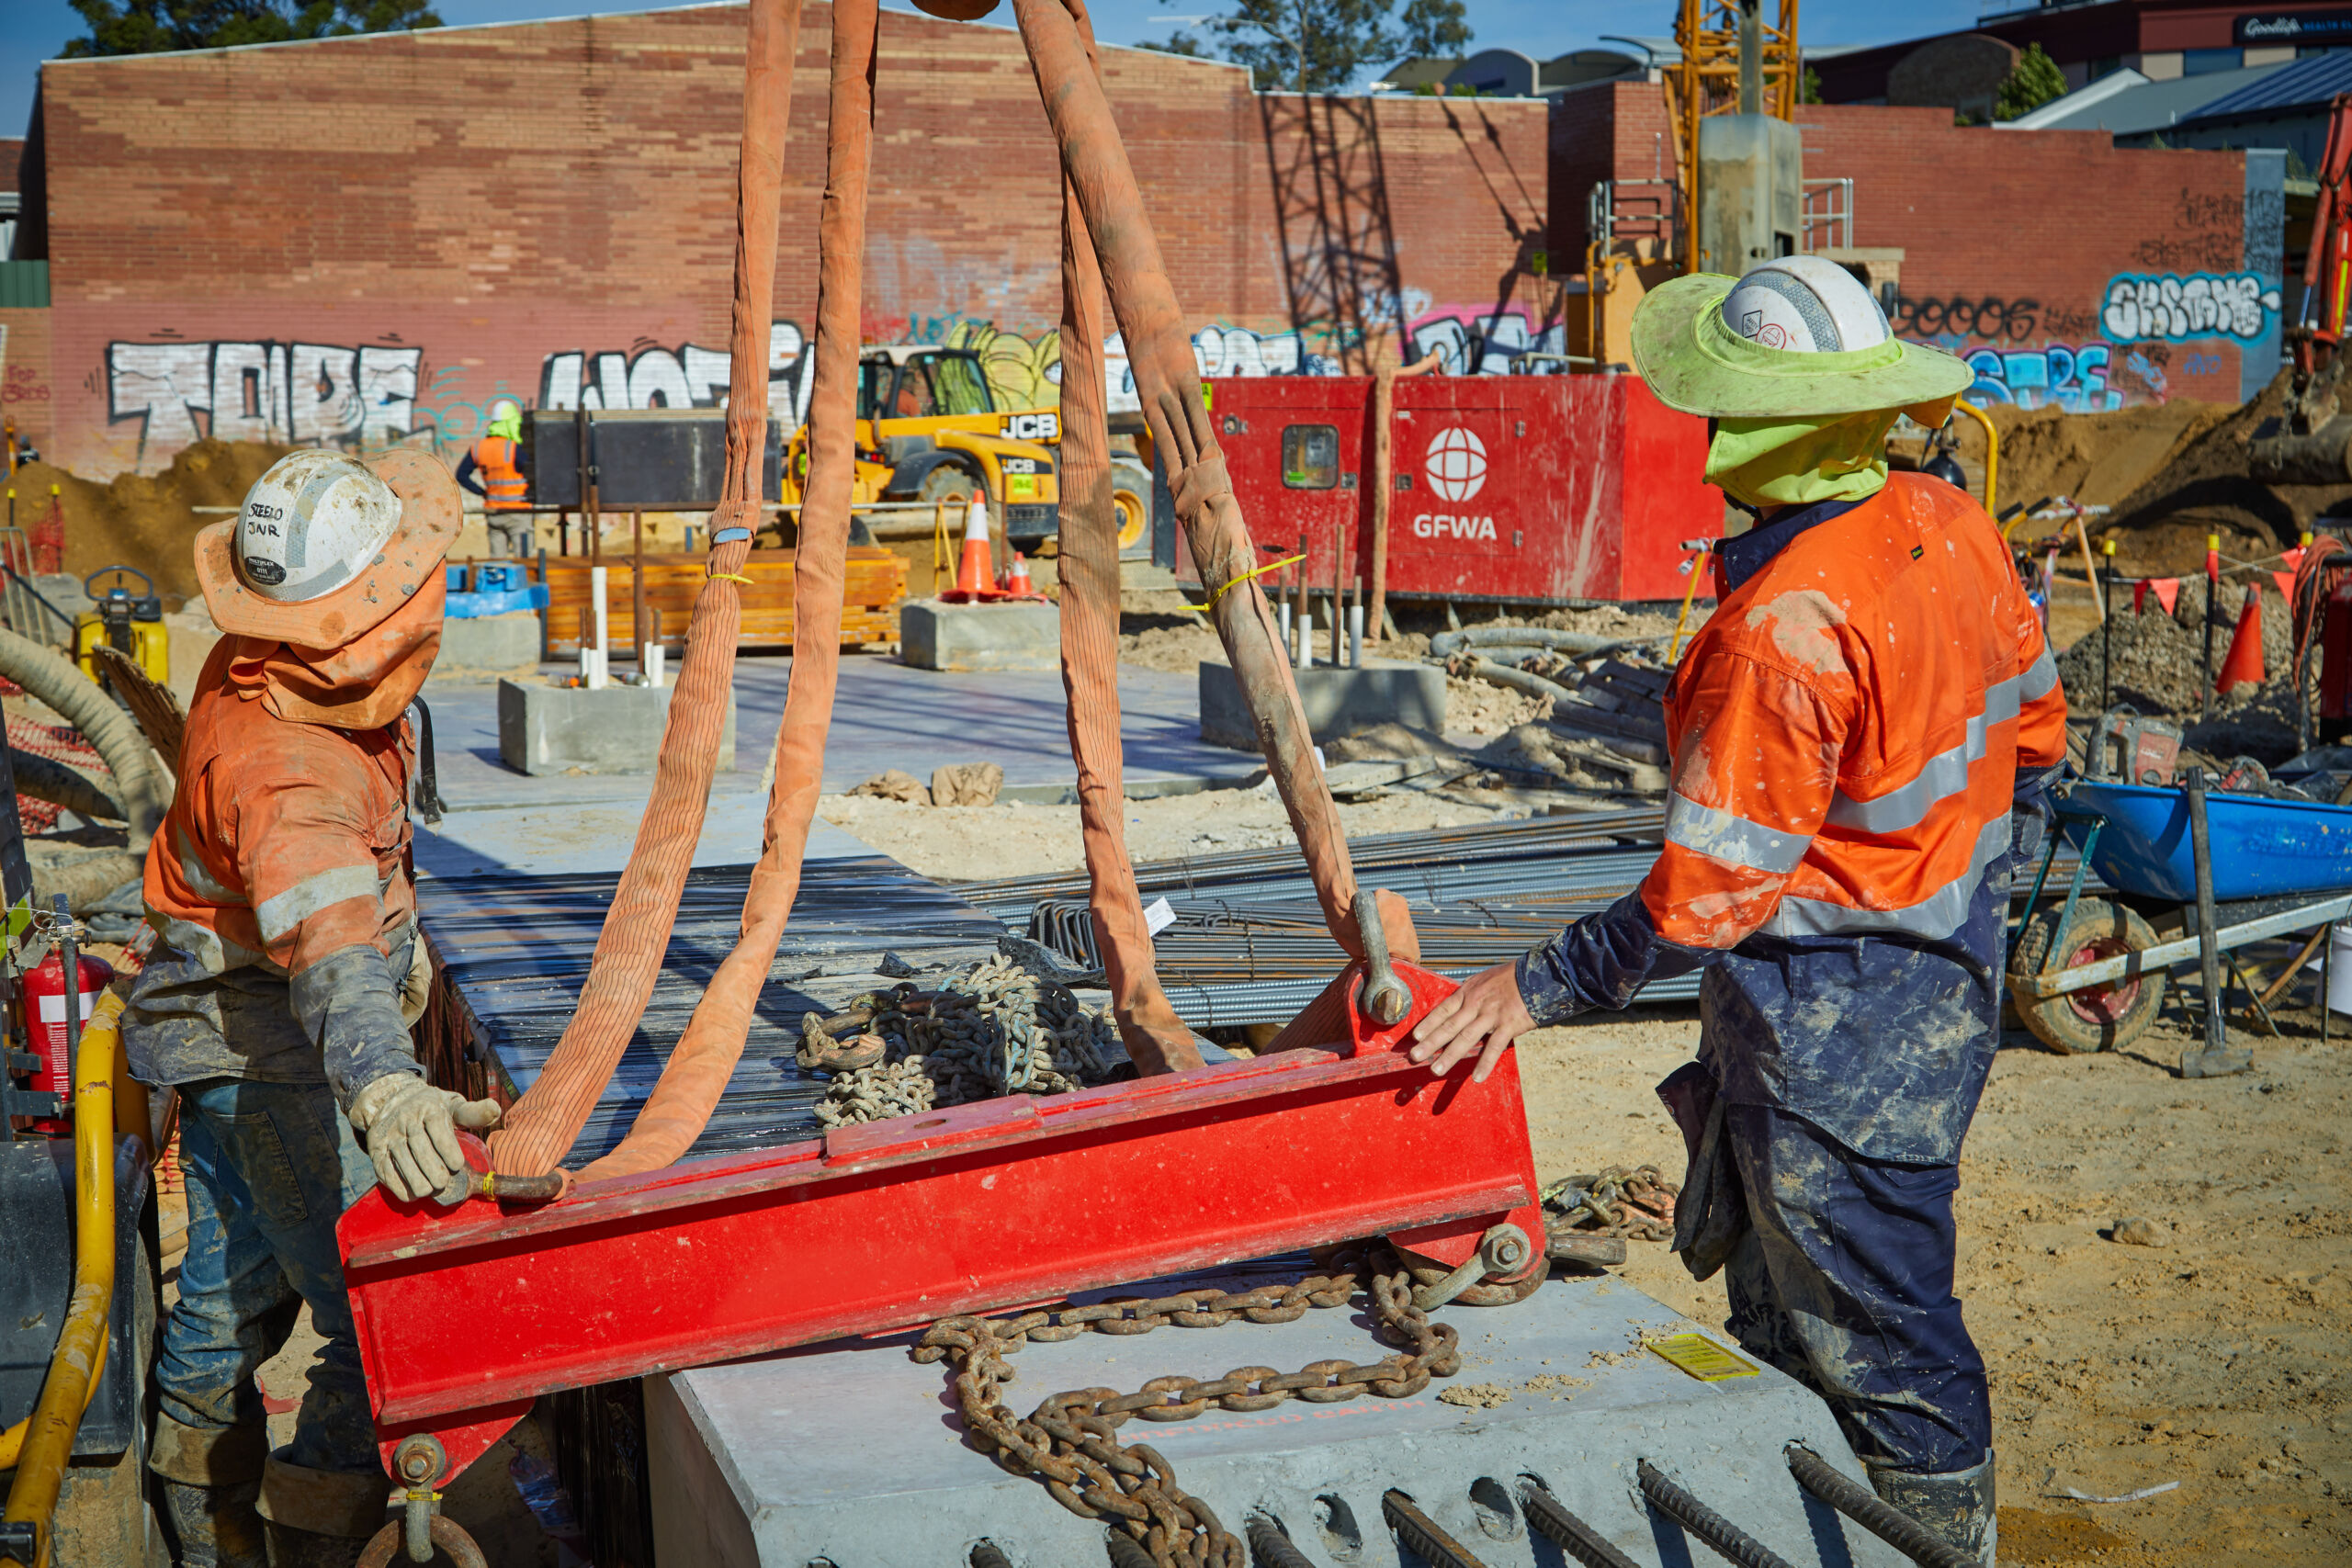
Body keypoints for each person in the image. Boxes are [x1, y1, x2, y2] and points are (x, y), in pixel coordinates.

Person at [1407, 256, 2067, 1565]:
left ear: (1745, 429)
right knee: (1812, 1300)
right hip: (1942, 985)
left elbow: (1702, 898)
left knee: (1879, 1328)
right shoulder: (1947, 518)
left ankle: (1942, 1537)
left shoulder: (1781, 624)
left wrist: (1529, 986)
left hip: (1836, 1033)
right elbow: (2037, 734)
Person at [125, 448, 503, 1568]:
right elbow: (329, 955)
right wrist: (385, 1084)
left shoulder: (278, 660)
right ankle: (314, 1530)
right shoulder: (290, 773)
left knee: (230, 1291)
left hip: (227, 1031)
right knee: (379, 1312)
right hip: (273, 1049)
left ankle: (205, 1524)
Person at [454, 397, 532, 556]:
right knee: (524, 562)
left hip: (494, 513)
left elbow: (461, 475)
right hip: (518, 512)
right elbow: (532, 472)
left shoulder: (479, 447)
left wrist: (482, 492)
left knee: (497, 563)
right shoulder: (514, 447)